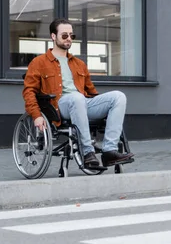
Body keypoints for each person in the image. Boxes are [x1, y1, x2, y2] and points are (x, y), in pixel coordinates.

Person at [22, 18, 134, 168]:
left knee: (118, 96)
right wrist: (36, 116)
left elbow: (91, 92)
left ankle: (109, 152)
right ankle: (87, 153)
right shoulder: (39, 62)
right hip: (59, 106)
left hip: (82, 102)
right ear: (53, 37)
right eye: (64, 35)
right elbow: (29, 91)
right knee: (76, 98)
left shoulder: (79, 64)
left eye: (71, 36)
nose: (69, 39)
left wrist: (104, 106)